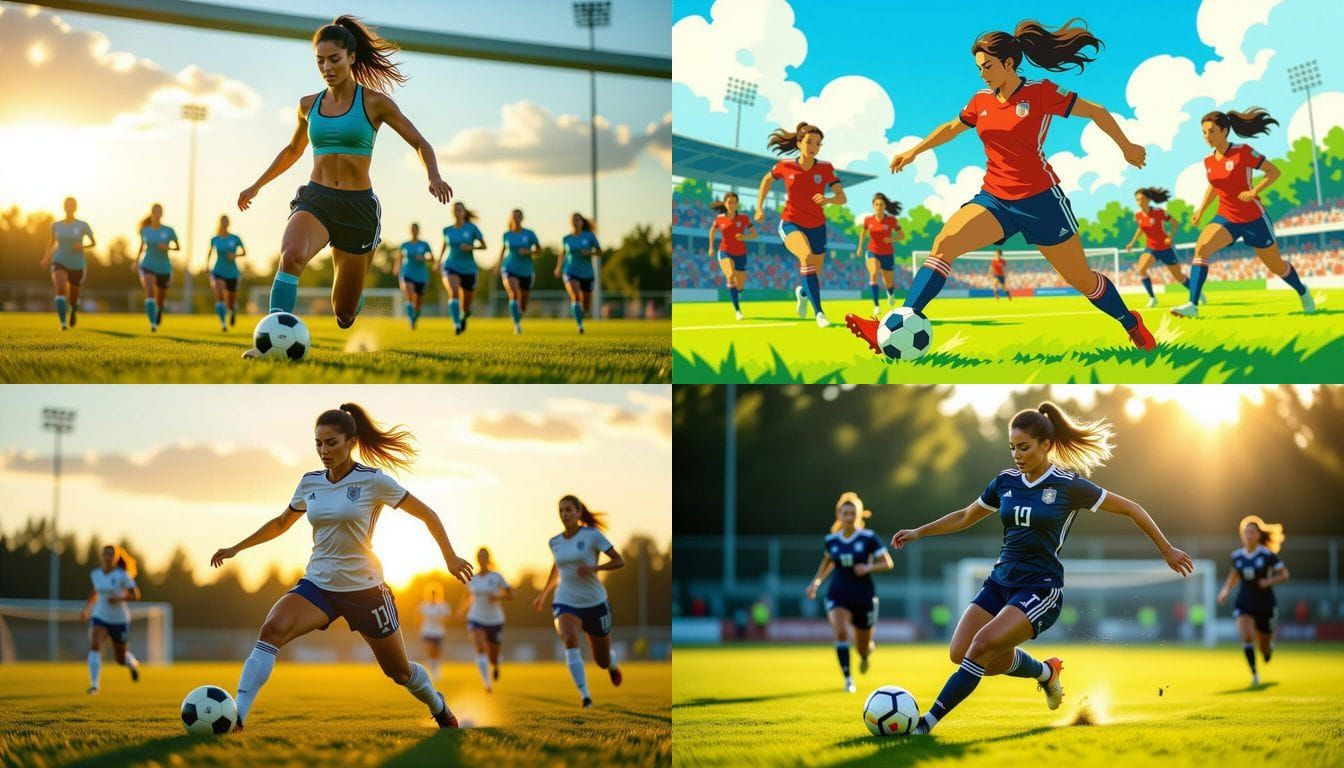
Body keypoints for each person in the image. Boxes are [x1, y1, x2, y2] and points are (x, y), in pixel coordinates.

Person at [846, 18, 1156, 354]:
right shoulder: (981, 100)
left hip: (1041, 202)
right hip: (994, 199)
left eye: (988, 66)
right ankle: (897, 324)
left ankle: (1130, 322)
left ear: (1009, 63)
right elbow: (952, 127)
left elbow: (1096, 111)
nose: (982, 73)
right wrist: (914, 150)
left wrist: (1127, 147)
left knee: (1081, 279)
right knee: (945, 241)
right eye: (979, 67)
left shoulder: (1041, 93)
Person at [888, 402, 1193, 734]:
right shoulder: (1005, 481)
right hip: (1000, 582)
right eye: (1012, 448)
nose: (1017, 455)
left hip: (1040, 589)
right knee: (961, 652)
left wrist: (1167, 549)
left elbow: (1132, 508)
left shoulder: (1068, 485)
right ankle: (1045, 673)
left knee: (981, 648)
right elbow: (964, 516)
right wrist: (919, 531)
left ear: (1045, 445)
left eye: (1024, 447)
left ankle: (925, 724)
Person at [210, 403, 473, 730]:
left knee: (399, 672)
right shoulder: (310, 483)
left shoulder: (374, 481)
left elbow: (427, 514)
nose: (323, 450)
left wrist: (450, 556)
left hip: (366, 591)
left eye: (331, 442)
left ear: (351, 442)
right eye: (318, 443)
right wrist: (237, 547)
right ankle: (238, 717)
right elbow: (280, 523)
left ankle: (439, 706)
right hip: (318, 585)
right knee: (271, 630)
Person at [238, 15, 453, 348]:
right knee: (291, 256)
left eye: (334, 59)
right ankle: (271, 342)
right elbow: (293, 149)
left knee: (344, 314)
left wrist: (434, 176)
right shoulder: (308, 105)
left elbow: (420, 143)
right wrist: (257, 185)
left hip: (358, 209)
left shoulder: (374, 102)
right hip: (316, 199)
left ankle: (356, 301)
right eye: (319, 61)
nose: (326, 67)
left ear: (351, 57)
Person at [1171, 108, 1314, 318]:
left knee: (1277, 266)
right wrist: (1201, 211)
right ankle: (1192, 305)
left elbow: (1273, 171)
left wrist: (1254, 191)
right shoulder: (1209, 161)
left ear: (1224, 131)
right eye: (1204, 132)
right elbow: (1213, 187)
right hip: (1226, 217)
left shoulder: (1243, 151)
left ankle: (1302, 291)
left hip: (1254, 218)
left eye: (1211, 131)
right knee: (1201, 247)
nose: (1207, 137)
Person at [533, 494, 625, 707]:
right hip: (565, 601)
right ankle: (586, 697)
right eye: (561, 511)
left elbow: (619, 560)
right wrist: (543, 594)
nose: (564, 515)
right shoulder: (554, 542)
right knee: (570, 638)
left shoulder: (592, 535)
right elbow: (556, 567)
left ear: (578, 512)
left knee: (600, 660)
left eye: (568, 510)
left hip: (595, 602)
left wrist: (594, 568)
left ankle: (611, 664)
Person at [756, 122, 847, 328]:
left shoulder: (825, 168)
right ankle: (820, 314)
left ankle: (802, 293)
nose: (813, 146)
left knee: (813, 273)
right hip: (791, 223)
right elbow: (766, 180)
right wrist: (759, 207)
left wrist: (829, 200)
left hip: (817, 227)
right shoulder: (785, 165)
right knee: (806, 258)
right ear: (799, 143)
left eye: (817, 143)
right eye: (809, 142)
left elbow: (842, 197)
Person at [805, 492, 893, 692]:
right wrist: (816, 582)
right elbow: (827, 562)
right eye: (845, 513)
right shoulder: (831, 540)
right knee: (841, 631)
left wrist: (868, 568)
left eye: (853, 513)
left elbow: (887, 563)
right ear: (839, 515)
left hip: (864, 596)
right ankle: (848, 679)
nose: (849, 516)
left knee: (862, 648)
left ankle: (865, 653)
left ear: (859, 515)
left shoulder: (869, 538)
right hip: (838, 594)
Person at [1217, 515, 1289, 686]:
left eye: (1252, 532)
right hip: (1245, 601)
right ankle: (1254, 674)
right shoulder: (1236, 556)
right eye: (1246, 532)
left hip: (1265, 603)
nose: (1248, 535)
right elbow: (1234, 575)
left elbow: (1285, 574)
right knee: (1247, 636)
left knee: (1264, 648)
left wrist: (1268, 581)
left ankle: (1268, 648)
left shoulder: (1267, 555)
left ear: (1258, 535)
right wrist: (1225, 591)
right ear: (1242, 535)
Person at [79, 545, 142, 694]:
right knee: (95, 645)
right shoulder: (95, 574)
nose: (107, 557)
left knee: (120, 659)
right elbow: (94, 592)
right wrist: (86, 610)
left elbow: (136, 595)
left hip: (119, 620)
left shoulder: (122, 575)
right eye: (105, 554)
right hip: (100, 616)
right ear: (101, 556)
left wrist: (119, 598)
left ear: (115, 557)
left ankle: (132, 663)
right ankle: (94, 685)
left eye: (110, 554)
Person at [1123, 187, 1196, 308]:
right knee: (1141, 269)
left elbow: (1175, 222)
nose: (1138, 202)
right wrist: (1132, 242)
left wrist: (1171, 237)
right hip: (1151, 248)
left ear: (1148, 199)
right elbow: (1141, 228)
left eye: (1141, 199)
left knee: (1179, 277)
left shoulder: (1158, 212)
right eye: (1137, 200)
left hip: (1165, 248)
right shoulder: (1138, 215)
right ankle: (1152, 298)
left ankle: (1195, 293)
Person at [458, 547, 512, 692]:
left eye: (484, 556)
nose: (482, 559)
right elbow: (467, 596)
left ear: (488, 559)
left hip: (495, 620)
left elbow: (511, 594)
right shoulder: (473, 578)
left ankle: (495, 664)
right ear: (477, 559)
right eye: (480, 557)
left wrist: (498, 596)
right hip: (476, 617)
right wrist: (460, 610)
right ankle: (487, 684)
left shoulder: (496, 577)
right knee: (480, 648)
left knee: (493, 657)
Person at [42, 196, 95, 330]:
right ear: (64, 207)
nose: (70, 207)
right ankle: (63, 323)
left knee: (73, 296)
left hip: (77, 264)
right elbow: (51, 243)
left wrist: (82, 247)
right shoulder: (56, 225)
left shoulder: (83, 225)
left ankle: (73, 310)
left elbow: (94, 243)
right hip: (59, 260)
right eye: (67, 205)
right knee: (60, 288)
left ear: (75, 207)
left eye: (72, 205)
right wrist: (46, 257)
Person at [708, 192, 757, 320]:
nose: (732, 205)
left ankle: (736, 292)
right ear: (725, 203)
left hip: (741, 254)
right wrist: (711, 247)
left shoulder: (744, 218)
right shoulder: (719, 219)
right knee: (730, 276)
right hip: (724, 251)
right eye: (729, 202)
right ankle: (737, 310)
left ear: (737, 204)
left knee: (739, 287)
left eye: (734, 202)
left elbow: (755, 234)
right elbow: (712, 231)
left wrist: (744, 237)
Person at [439, 202, 486, 334]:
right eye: (455, 210)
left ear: (464, 213)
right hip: (450, 266)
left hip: (469, 269)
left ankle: (464, 316)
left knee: (465, 306)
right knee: (453, 293)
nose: (457, 212)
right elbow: (444, 246)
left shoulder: (472, 228)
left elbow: (484, 246)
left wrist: (471, 247)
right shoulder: (447, 230)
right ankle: (456, 324)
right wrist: (438, 261)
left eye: (460, 210)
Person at [856, 194, 903, 315]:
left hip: (887, 253)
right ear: (873, 206)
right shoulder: (868, 220)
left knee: (888, 282)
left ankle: (890, 293)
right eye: (876, 204)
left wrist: (891, 239)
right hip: (872, 251)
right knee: (873, 273)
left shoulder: (891, 220)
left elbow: (901, 235)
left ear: (885, 206)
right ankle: (876, 305)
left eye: (881, 204)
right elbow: (863, 233)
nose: (878, 207)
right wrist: (860, 247)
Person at [135, 204, 179, 333]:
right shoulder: (145, 230)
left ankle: (159, 310)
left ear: (162, 214)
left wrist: (167, 248)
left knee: (160, 299)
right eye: (155, 211)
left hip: (164, 268)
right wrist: (136, 261)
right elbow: (141, 246)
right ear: (152, 213)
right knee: (149, 292)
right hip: (147, 265)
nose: (157, 213)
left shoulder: (169, 230)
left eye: (159, 211)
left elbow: (178, 247)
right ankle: (153, 324)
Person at [557, 213, 602, 333]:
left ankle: (582, 314)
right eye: (573, 220)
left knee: (586, 305)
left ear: (582, 222)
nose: (575, 222)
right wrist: (558, 267)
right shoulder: (566, 238)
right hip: (570, 271)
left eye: (578, 219)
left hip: (587, 273)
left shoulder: (589, 236)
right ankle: (579, 325)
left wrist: (590, 253)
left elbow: (599, 251)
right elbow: (562, 254)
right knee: (575, 296)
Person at [499, 209, 541, 334]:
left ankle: (518, 315)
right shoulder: (506, 235)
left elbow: (539, 250)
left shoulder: (529, 234)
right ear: (511, 219)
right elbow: (503, 250)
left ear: (522, 218)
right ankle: (516, 325)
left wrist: (528, 252)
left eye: (519, 216)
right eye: (514, 216)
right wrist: (498, 265)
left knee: (523, 304)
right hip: (509, 268)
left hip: (526, 270)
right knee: (514, 294)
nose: (516, 218)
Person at [208, 215, 248, 331]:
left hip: (232, 273)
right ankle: (223, 323)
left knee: (230, 301)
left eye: (226, 221)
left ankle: (232, 310)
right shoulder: (214, 239)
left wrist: (235, 255)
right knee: (220, 296)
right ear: (220, 223)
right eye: (223, 221)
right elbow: (209, 252)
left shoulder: (235, 238)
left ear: (229, 223)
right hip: (218, 271)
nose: (224, 223)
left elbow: (244, 252)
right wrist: (207, 265)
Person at [396, 223, 432, 329]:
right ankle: (411, 320)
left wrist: (424, 258)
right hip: (407, 273)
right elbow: (399, 257)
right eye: (412, 229)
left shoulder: (424, 244)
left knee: (418, 302)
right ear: (410, 231)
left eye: (416, 229)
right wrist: (396, 267)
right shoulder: (405, 245)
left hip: (421, 275)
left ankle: (415, 317)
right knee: (409, 295)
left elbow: (432, 258)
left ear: (418, 231)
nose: (414, 231)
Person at [417, 581, 450, 678]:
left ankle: (436, 670)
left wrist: (442, 619)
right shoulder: (423, 605)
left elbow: (447, 619)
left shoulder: (443, 606)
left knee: (437, 652)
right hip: (427, 631)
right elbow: (418, 618)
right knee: (430, 650)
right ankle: (432, 672)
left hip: (439, 632)